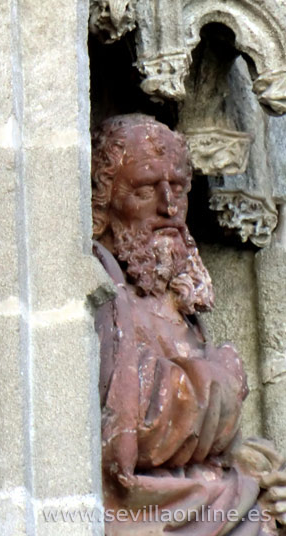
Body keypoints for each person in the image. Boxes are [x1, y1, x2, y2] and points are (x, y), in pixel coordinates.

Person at [92, 114, 286, 535]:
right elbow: (142, 424)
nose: (168, 206)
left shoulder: (178, 295)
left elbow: (203, 439)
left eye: (177, 188)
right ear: (104, 203)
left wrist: (252, 462)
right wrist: (223, 377)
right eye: (144, 190)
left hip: (201, 492)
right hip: (140, 508)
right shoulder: (102, 291)